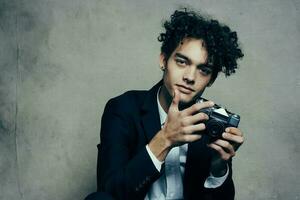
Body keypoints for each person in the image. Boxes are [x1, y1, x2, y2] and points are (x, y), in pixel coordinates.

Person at [85, 8, 244, 200]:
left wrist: (218, 167)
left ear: (211, 79)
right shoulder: (123, 109)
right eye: (182, 62)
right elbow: (110, 191)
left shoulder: (210, 122)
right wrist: (165, 139)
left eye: (203, 70)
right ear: (163, 60)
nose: (190, 77)